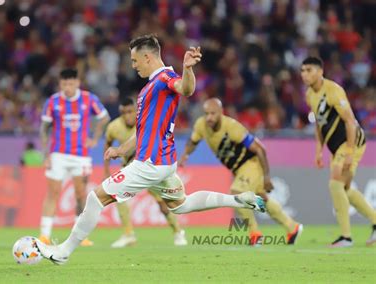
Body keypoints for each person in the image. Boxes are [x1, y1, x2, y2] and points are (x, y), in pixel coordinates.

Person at [36, 34, 265, 264]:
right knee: (180, 205)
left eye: (135, 61)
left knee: (96, 199)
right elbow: (143, 131)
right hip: (164, 162)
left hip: (150, 163)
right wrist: (122, 150)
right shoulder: (149, 88)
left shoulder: (166, 78)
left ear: (147, 57)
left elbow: (185, 89)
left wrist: (188, 69)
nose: (133, 66)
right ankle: (239, 200)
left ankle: (62, 252)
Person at [179, 98, 303, 246]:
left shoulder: (232, 127)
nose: (209, 117)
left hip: (250, 164)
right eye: (206, 113)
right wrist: (185, 155)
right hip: (238, 170)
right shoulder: (201, 125)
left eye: (213, 113)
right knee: (262, 199)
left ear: (221, 112)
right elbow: (192, 142)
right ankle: (292, 226)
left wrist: (267, 177)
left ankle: (255, 235)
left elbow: (259, 149)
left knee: (237, 192)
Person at [301, 56, 376, 247]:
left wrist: (350, 151)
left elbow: (350, 121)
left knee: (335, 182)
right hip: (336, 146)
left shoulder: (333, 90)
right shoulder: (310, 95)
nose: (304, 74)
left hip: (351, 142)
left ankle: (346, 237)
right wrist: (318, 151)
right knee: (345, 188)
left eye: (309, 70)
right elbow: (319, 123)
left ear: (320, 71)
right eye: (302, 70)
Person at [38, 68, 110, 246]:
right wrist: (46, 154)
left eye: (70, 83)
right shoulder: (53, 101)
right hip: (58, 154)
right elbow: (44, 129)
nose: (67, 87)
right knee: (53, 193)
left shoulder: (88, 99)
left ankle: (79, 236)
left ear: (77, 83)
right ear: (60, 84)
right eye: (64, 84)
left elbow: (104, 117)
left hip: (81, 155)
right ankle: (44, 235)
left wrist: (94, 137)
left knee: (80, 194)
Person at [104, 97, 187, 248]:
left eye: (130, 111)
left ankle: (178, 231)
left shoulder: (144, 122)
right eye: (124, 112)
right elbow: (107, 144)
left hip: (149, 168)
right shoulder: (113, 127)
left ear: (135, 110)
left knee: (163, 204)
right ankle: (128, 234)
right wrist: (106, 169)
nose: (127, 115)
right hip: (130, 169)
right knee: (117, 196)